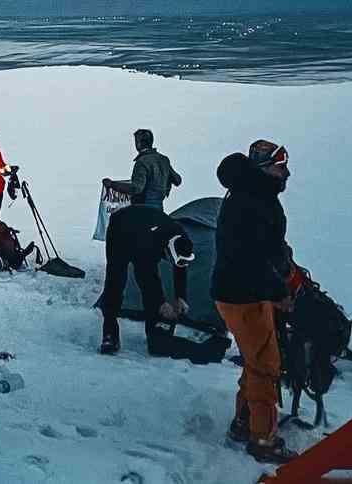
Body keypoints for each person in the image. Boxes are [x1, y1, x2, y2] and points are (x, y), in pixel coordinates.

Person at [210, 139, 298, 465]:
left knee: (255, 356)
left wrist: (285, 264)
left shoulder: (251, 195)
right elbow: (252, 257)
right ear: (264, 169)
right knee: (265, 364)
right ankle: (263, 439)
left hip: (238, 290)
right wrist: (278, 292)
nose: (285, 172)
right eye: (280, 166)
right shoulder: (253, 202)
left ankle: (244, 422)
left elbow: (267, 247)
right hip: (244, 294)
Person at [97, 203, 227, 362]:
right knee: (116, 282)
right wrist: (161, 302)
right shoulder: (150, 243)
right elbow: (148, 276)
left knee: (150, 287)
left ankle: (155, 335)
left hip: (147, 225)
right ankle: (110, 334)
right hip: (121, 229)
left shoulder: (180, 239)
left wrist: (180, 297)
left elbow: (180, 268)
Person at [101, 129, 182, 210]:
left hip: (143, 211)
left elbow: (136, 188)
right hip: (159, 208)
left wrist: (112, 184)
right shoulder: (164, 160)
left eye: (136, 141)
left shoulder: (142, 162)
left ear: (139, 143)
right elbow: (178, 180)